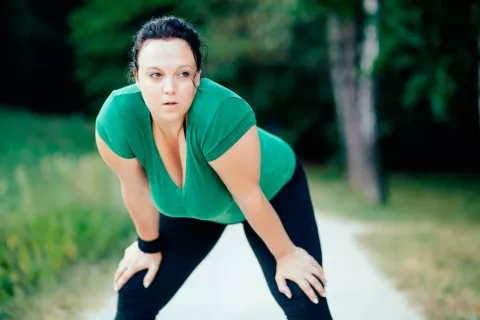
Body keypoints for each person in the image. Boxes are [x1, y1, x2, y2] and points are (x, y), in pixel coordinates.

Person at [94, 15, 334, 320]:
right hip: (197, 205)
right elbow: (136, 190)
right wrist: (147, 245)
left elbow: (249, 196)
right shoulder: (117, 118)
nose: (169, 88)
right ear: (136, 76)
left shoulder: (221, 112)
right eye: (155, 75)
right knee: (136, 289)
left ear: (198, 76)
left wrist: (286, 255)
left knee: (302, 294)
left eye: (182, 74)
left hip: (270, 190)